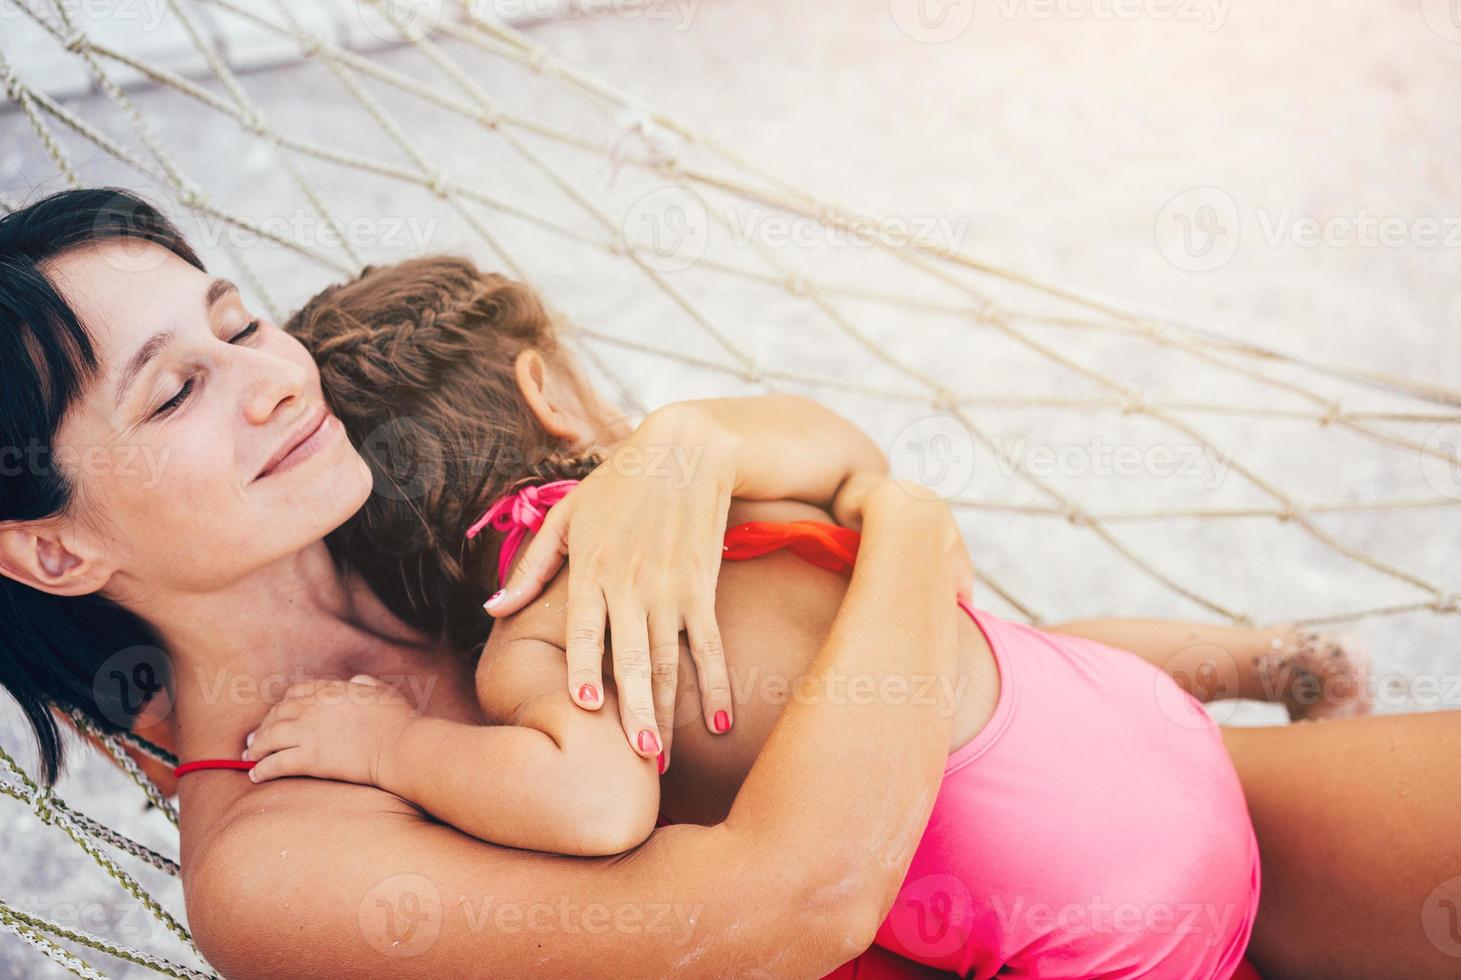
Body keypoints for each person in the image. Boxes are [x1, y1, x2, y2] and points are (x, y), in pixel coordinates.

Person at [0, 188, 966, 977]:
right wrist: (914, 534)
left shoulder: (418, 518)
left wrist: (690, 444)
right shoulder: (274, 865)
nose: (281, 380)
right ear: (54, 552)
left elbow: (839, 460)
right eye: (174, 392)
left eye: (241, 325)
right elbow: (795, 906)